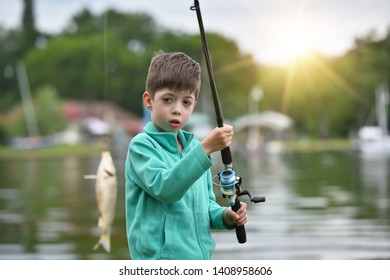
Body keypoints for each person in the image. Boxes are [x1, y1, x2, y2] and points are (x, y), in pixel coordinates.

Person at [125, 51, 247, 260]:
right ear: (149, 100)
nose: (177, 110)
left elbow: (206, 208)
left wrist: (226, 216)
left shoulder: (195, 150)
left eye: (186, 102)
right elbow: (166, 188)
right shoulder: (142, 146)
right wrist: (206, 148)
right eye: (168, 99)